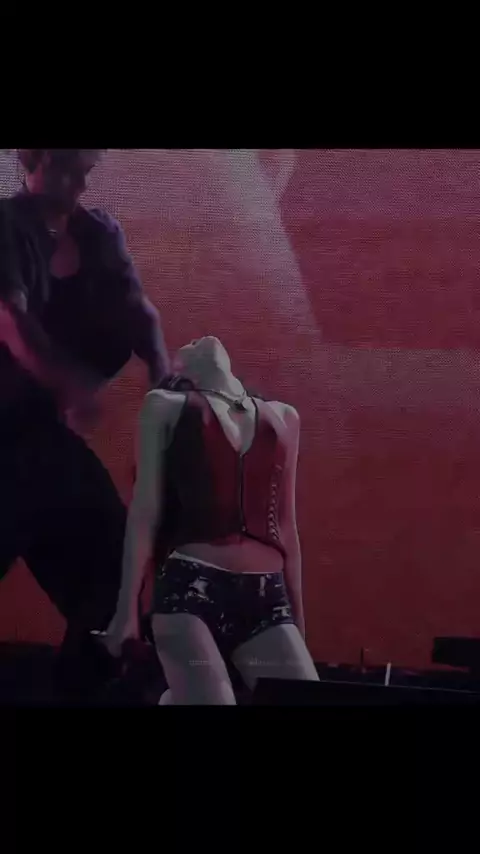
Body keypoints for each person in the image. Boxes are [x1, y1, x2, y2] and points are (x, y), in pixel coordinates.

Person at [0, 149, 170, 696]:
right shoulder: (6, 227)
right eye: (68, 169)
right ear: (35, 160)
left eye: (86, 172)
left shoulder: (99, 234)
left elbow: (140, 313)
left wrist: (163, 384)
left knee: (113, 577)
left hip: (43, 445)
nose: (79, 184)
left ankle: (78, 693)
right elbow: (11, 321)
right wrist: (71, 386)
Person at [103, 336, 319, 704]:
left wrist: (297, 620)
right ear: (180, 371)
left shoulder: (285, 417)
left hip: (266, 599)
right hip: (189, 592)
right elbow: (145, 511)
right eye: (185, 345)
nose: (197, 339)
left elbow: (286, 526)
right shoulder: (165, 406)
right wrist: (126, 610)